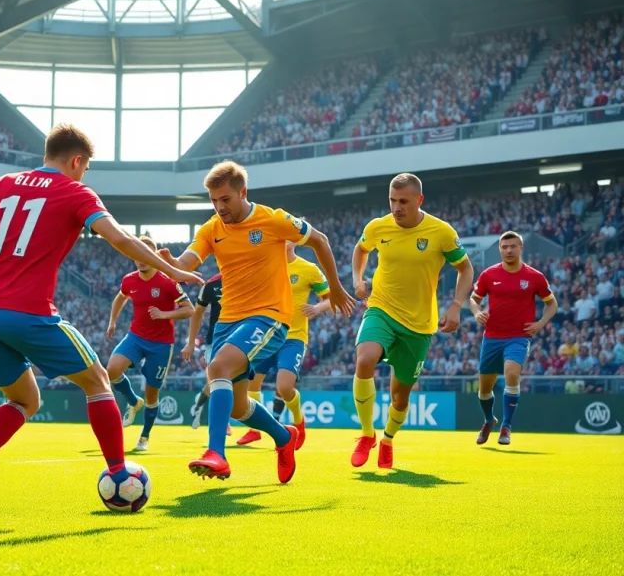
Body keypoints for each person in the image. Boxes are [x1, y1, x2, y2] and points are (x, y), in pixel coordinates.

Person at [0, 123, 202, 512]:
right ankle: (118, 473)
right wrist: (173, 270)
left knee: (25, 399)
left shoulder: (2, 183)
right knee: (98, 381)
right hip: (27, 311)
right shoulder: (76, 192)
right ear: (77, 160)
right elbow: (121, 238)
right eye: (85, 167)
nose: (84, 175)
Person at [157, 160, 354, 483]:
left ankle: (216, 453)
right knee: (237, 407)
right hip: (227, 322)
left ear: (243, 192)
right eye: (214, 200)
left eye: (225, 199)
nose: (219, 207)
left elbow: (320, 240)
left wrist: (334, 287)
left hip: (269, 316)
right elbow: (185, 262)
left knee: (217, 368)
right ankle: (284, 437)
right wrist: (170, 263)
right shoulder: (211, 229)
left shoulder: (272, 220)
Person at [351, 173, 474, 469]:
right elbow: (361, 249)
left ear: (419, 200)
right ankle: (366, 434)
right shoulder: (377, 227)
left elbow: (465, 268)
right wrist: (357, 279)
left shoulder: (441, 232)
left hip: (418, 324)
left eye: (403, 201)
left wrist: (456, 305)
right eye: (392, 200)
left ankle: (388, 439)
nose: (397, 207)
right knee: (365, 360)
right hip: (381, 308)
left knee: (400, 397)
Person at [238, 240, 331, 448]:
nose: (282, 241)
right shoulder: (266, 266)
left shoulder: (308, 269)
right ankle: (255, 430)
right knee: (251, 384)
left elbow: (329, 298)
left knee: (285, 387)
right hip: (267, 335)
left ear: (295, 241)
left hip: (293, 338)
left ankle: (299, 420)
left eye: (286, 237)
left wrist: (317, 308)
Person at [468, 231, 557, 446]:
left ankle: (506, 427)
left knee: (511, 373)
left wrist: (540, 323)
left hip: (518, 337)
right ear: (500, 249)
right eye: (504, 247)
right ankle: (489, 420)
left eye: (513, 246)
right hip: (492, 337)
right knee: (484, 389)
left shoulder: (534, 276)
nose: (508, 250)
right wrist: (477, 313)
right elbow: (473, 299)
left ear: (521, 248)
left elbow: (551, 303)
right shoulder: (489, 274)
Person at [107, 235, 195, 451]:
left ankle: (144, 437)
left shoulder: (167, 282)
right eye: (137, 255)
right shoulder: (129, 280)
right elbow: (120, 297)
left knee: (152, 394)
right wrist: (112, 321)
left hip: (161, 345)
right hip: (136, 337)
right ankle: (133, 401)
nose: (141, 259)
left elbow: (189, 309)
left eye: (145, 254)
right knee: (112, 369)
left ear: (153, 255)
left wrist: (165, 314)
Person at [183, 275, 230, 436]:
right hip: (214, 342)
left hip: (239, 340)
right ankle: (222, 423)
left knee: (226, 383)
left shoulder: (248, 279)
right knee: (218, 382)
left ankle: (198, 404)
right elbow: (198, 312)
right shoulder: (211, 285)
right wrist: (191, 342)